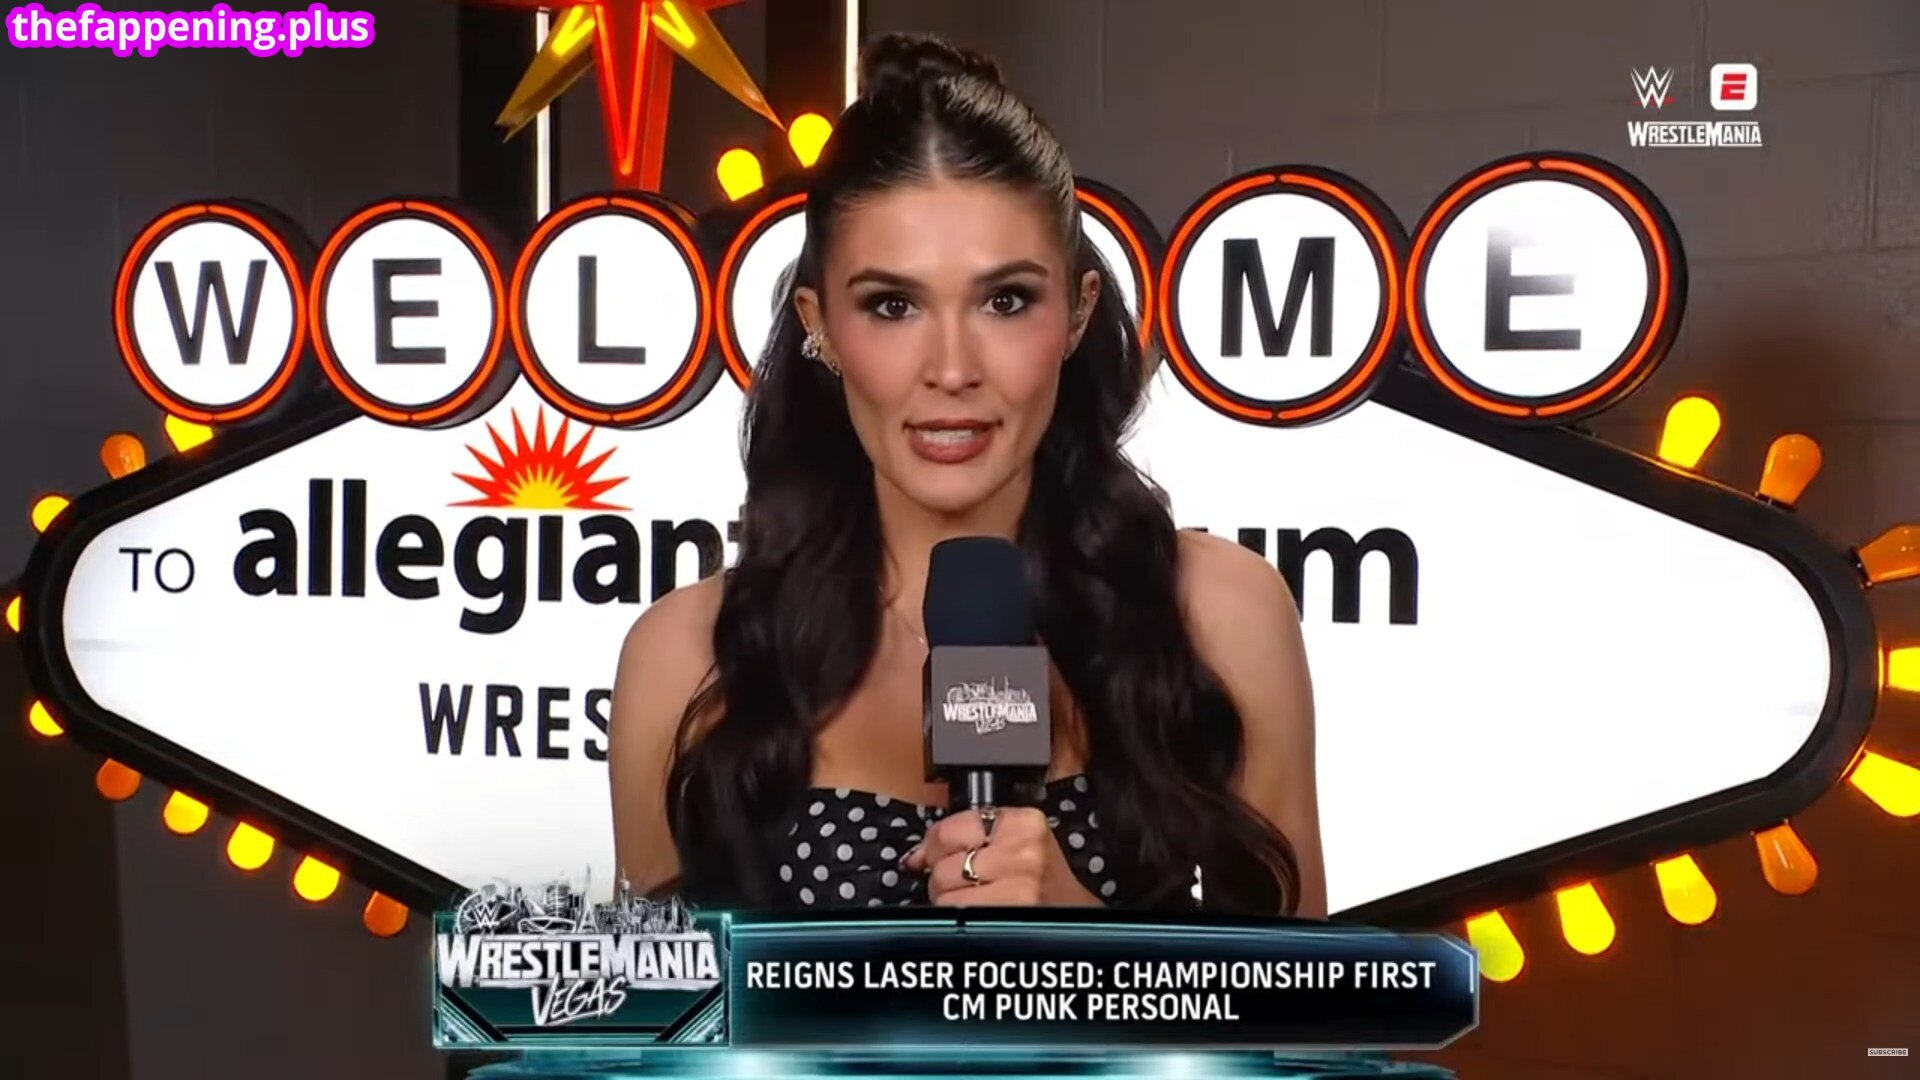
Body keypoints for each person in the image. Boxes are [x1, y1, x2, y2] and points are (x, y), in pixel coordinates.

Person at [609, 31, 1324, 918]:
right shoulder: (684, 663)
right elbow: (658, 1006)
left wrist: (1081, 937)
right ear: (819, 324)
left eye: (1005, 300)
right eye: (893, 305)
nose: (951, 369)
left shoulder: (1222, 618)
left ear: (1078, 312)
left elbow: (1309, 999)